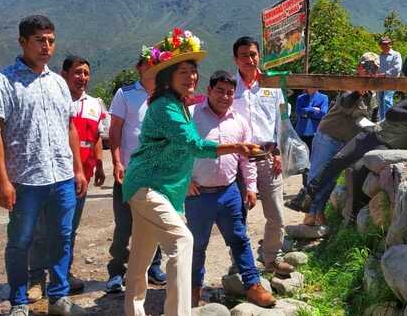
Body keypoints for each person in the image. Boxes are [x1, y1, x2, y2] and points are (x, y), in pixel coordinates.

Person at [121, 28, 258, 316]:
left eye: (193, 71)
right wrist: (237, 147)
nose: (191, 77)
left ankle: (133, 311)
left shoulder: (180, 106)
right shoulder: (165, 107)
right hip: (147, 186)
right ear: (168, 76)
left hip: (164, 189)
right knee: (183, 240)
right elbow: (193, 144)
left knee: (142, 257)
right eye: (182, 72)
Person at [0, 15, 87, 316]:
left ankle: (58, 297)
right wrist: (2, 181)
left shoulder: (58, 82)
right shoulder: (3, 81)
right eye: (39, 40)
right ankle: (18, 302)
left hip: (62, 177)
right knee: (20, 241)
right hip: (25, 179)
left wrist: (78, 169)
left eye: (51, 40)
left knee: (62, 237)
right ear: (22, 42)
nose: (46, 46)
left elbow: (70, 127)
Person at [187, 70, 275, 308]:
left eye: (229, 92)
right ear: (209, 91)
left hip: (229, 192)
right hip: (197, 195)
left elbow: (247, 159)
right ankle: (194, 291)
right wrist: (185, 180)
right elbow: (178, 151)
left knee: (239, 239)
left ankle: (252, 285)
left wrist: (251, 187)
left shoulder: (239, 121)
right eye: (220, 91)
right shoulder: (191, 116)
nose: (225, 97)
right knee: (196, 246)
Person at [27, 55, 107, 300]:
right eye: (77, 73)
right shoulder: (52, 101)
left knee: (67, 231)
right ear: (64, 74)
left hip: (79, 180)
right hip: (50, 177)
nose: (82, 78)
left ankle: (62, 275)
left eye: (86, 73)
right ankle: (36, 281)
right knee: (40, 231)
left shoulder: (95, 105)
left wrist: (100, 166)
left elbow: (95, 139)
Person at [306, 93, 407, 221]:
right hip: (375, 134)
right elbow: (391, 113)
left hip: (389, 146)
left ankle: (353, 215)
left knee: (358, 170)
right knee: (339, 160)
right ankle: (307, 196)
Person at [231, 36, 294, 276]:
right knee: (238, 217)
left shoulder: (271, 85)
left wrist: (278, 152)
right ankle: (239, 264)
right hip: (238, 161)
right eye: (244, 55)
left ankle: (272, 258)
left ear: (260, 56)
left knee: (276, 215)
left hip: (268, 157)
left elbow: (280, 122)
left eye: (254, 54)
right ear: (236, 59)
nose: (250, 59)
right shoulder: (229, 87)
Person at [105, 52, 167, 293]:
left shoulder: (166, 95)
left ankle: (154, 266)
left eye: (157, 64)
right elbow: (115, 131)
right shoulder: (126, 94)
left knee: (155, 221)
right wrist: (117, 162)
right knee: (124, 224)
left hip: (157, 174)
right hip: (129, 173)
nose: (153, 69)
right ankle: (116, 270)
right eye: (148, 64)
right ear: (139, 67)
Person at [300, 53, 377, 226]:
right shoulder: (349, 85)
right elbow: (347, 103)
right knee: (318, 175)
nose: (370, 71)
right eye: (368, 67)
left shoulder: (372, 94)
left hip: (346, 141)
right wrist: (357, 92)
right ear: (360, 68)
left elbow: (371, 115)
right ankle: (310, 215)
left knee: (331, 179)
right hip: (329, 136)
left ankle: (318, 212)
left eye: (374, 68)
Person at [295, 88, 329, 186]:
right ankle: (305, 185)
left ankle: (314, 184)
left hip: (315, 133)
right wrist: (313, 109)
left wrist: (306, 110)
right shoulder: (301, 98)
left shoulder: (323, 97)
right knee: (304, 161)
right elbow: (298, 112)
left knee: (314, 160)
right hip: (302, 134)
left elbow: (323, 113)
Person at [377, 36, 402, 120]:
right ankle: (382, 121)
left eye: (386, 44)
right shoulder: (378, 56)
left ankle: (389, 121)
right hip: (379, 83)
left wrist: (384, 75)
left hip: (391, 82)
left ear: (390, 44)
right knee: (380, 102)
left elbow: (397, 69)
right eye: (382, 44)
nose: (384, 45)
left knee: (387, 100)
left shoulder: (396, 54)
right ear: (380, 45)